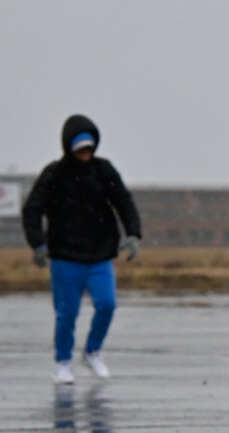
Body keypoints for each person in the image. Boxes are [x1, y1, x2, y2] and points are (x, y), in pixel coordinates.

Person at [22, 114, 142, 384]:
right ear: (69, 147)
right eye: (80, 149)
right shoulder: (54, 173)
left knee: (107, 304)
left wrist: (133, 234)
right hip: (65, 257)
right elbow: (32, 208)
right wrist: (37, 243)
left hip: (99, 255)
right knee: (66, 314)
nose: (85, 154)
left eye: (89, 147)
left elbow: (124, 201)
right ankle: (63, 362)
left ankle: (92, 351)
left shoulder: (104, 170)